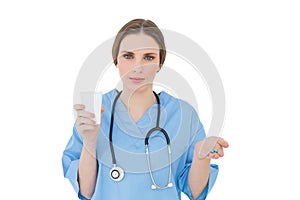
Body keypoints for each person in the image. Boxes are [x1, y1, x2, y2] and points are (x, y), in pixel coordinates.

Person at [62, 18, 229, 200]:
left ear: (160, 63)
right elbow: (85, 192)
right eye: (128, 56)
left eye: (148, 57)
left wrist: (200, 157)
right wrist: (90, 141)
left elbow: (196, 193)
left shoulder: (183, 115)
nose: (137, 67)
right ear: (116, 60)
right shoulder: (95, 112)